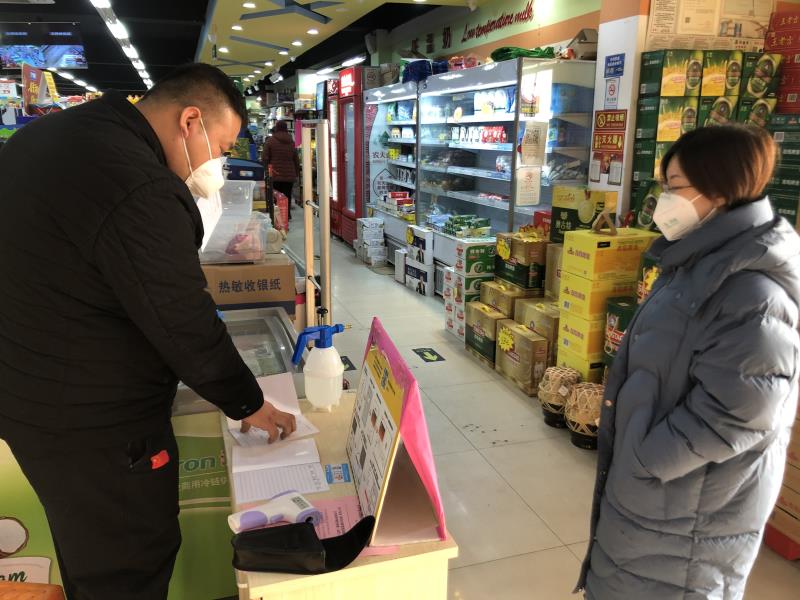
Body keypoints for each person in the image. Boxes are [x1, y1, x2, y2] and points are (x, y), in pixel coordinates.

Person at [0, 63, 296, 600]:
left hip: (32, 393)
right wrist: (247, 402)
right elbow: (182, 320)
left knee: (90, 554)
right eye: (221, 147)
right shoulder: (138, 183)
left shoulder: (56, 134)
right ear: (190, 121)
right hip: (95, 425)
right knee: (128, 564)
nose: (218, 163)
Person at [577, 124, 800, 599]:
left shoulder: (752, 291)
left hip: (687, 513)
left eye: (675, 186)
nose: (664, 200)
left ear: (719, 191)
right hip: (662, 504)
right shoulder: (701, 262)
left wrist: (645, 458)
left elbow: (741, 411)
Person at [263, 120, 299, 220]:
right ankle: (287, 215)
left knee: (276, 196)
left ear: (277, 128)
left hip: (275, 174)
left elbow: (265, 157)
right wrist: (296, 173)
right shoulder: (292, 142)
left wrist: (266, 170)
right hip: (289, 174)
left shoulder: (270, 141)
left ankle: (277, 217)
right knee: (287, 196)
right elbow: (296, 159)